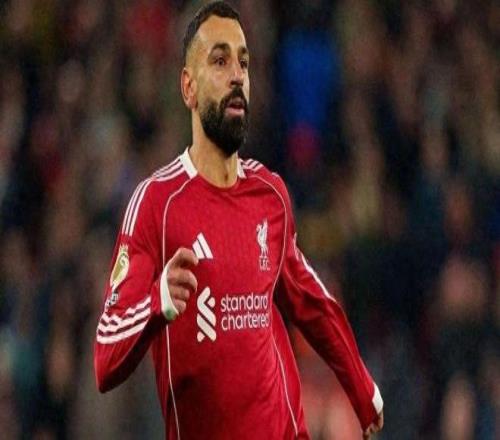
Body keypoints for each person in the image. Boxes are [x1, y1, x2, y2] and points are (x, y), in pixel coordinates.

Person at [94, 2, 384, 438]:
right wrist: (158, 301)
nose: (237, 76)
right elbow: (105, 358)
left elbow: (310, 300)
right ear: (188, 88)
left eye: (243, 63)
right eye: (220, 61)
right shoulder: (156, 204)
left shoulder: (270, 194)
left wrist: (361, 386)